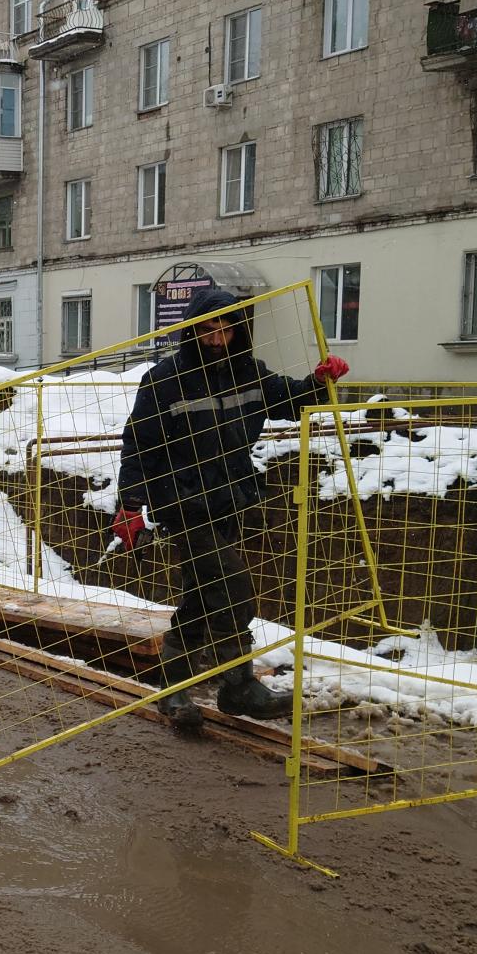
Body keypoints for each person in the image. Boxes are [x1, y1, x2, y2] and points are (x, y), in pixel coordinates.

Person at [111, 289, 348, 731]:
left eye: (226, 325)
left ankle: (173, 689)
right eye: (207, 326)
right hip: (182, 504)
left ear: (237, 329)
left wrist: (319, 381)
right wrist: (129, 503)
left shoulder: (250, 374)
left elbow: (289, 401)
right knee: (234, 588)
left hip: (229, 502)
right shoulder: (165, 380)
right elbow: (139, 444)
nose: (217, 335)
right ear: (193, 330)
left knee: (202, 598)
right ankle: (237, 687)